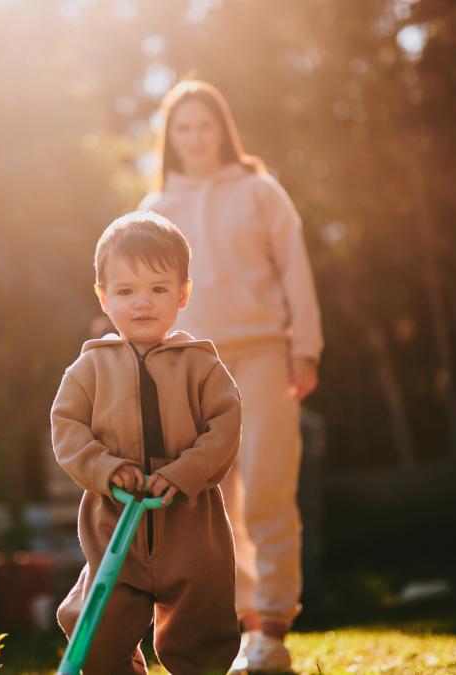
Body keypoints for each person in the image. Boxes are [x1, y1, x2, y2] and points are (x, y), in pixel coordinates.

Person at [140, 79, 324, 673]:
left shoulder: (259, 191)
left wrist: (307, 348)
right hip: (191, 369)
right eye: (184, 129)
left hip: (265, 354)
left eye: (205, 126)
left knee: (268, 485)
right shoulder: (155, 211)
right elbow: (144, 298)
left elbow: (295, 268)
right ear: (171, 139)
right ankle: (242, 631)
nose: (195, 138)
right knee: (216, 506)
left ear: (223, 129)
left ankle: (272, 627)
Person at [51, 212, 243, 674]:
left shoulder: (201, 366)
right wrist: (103, 467)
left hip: (191, 521)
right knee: (99, 627)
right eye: (126, 291)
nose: (143, 303)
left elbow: (224, 426)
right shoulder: (89, 369)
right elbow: (67, 427)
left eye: (158, 289)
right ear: (103, 296)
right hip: (114, 520)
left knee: (201, 628)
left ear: (182, 294)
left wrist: (184, 473)